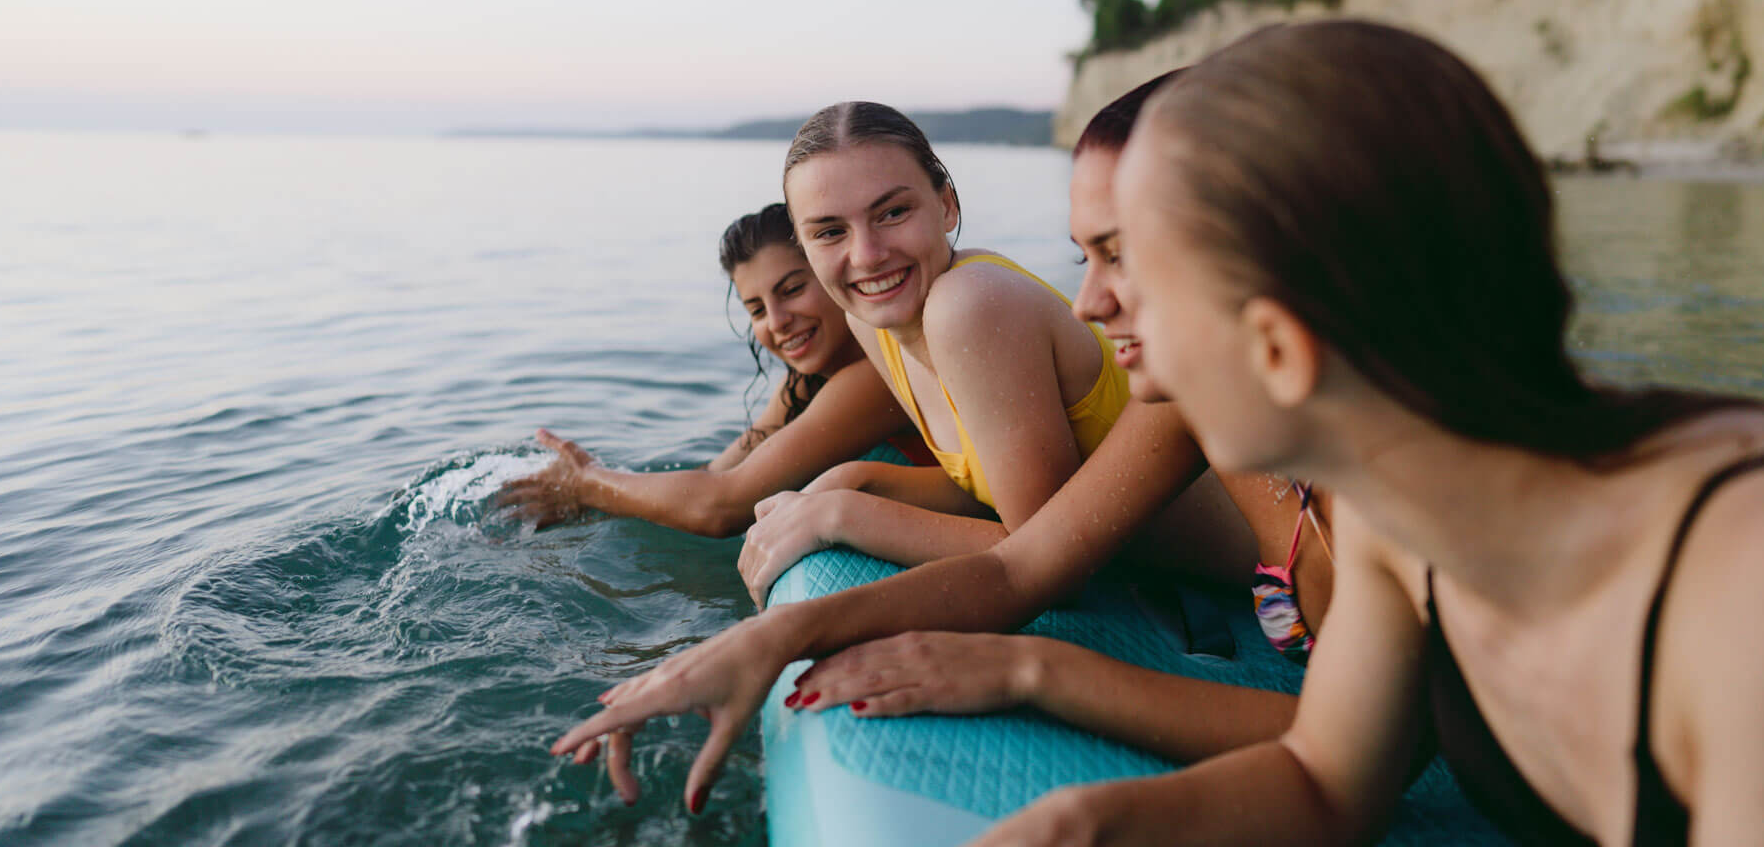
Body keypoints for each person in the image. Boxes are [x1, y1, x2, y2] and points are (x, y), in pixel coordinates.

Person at [964, 20, 1764, 845]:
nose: (1090, 305)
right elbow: (1323, 780)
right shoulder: (1397, 509)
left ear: (1278, 344)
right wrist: (1083, 826)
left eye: (1139, 266)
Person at [545, 85, 1342, 813]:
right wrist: (772, 632)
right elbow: (1019, 565)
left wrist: (1034, 674)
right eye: (1084, 259)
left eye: (1119, 257)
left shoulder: (975, 307)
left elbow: (1366, 752)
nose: (1090, 302)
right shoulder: (1176, 402)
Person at [731, 100, 1253, 609]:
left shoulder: (970, 304)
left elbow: (1046, 563)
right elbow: (996, 490)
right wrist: (854, 479)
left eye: (892, 212)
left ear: (947, 205)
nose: (866, 255)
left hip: (1275, 570)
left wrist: (840, 514)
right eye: (829, 232)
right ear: (803, 245)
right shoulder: (870, 321)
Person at [497, 203, 922, 538]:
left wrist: (587, 485)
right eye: (755, 309)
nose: (775, 322)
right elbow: (715, 476)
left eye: (792, 290)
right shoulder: (804, 383)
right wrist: (597, 490)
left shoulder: (875, 376)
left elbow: (723, 507)